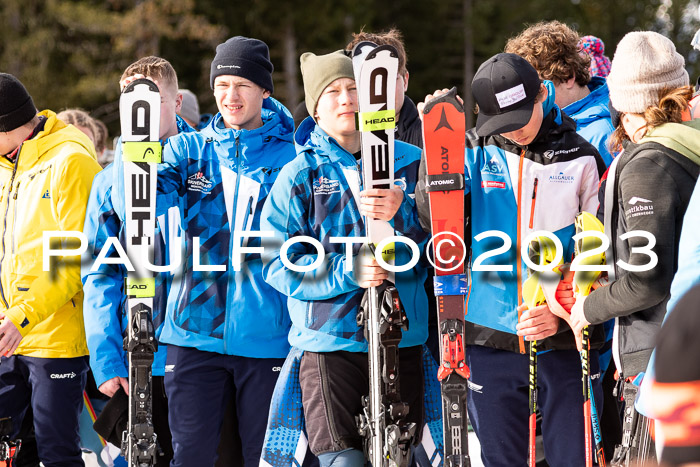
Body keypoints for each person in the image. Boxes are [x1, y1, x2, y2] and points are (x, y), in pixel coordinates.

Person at [109, 37, 298, 466]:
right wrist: (133, 150)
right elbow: (136, 208)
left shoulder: (290, 158)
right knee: (191, 456)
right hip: (192, 334)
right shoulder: (188, 151)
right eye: (222, 85)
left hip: (266, 337)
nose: (230, 97)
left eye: (243, 86)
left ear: (264, 90)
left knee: (263, 458)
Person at [415, 53, 607, 466]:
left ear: (543, 93)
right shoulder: (471, 151)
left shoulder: (581, 156)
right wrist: (436, 152)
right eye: (502, 122)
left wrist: (562, 310)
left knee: (572, 458)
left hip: (563, 341)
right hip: (489, 337)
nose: (515, 131)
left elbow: (598, 249)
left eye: (521, 117)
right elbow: (437, 224)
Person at [260, 50, 430, 466]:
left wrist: (402, 211)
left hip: (401, 336)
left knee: (400, 457)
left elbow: (441, 246)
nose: (346, 99)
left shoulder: (410, 163)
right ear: (316, 108)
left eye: (353, 88)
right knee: (342, 458)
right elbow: (275, 261)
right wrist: (347, 271)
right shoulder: (300, 173)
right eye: (332, 92)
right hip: (329, 341)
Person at [569, 31, 700, 465]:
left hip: (661, 350)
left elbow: (647, 279)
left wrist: (586, 309)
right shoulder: (689, 145)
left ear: (625, 104)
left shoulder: (648, 164)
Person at [504, 20, 620, 460]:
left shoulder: (594, 133)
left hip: (581, 318)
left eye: (541, 82)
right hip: (543, 311)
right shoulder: (542, 128)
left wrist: (569, 299)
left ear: (567, 76)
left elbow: (599, 232)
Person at [82, 55, 192, 466]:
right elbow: (99, 272)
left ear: (176, 102)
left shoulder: (202, 160)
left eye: (154, 100)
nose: (142, 112)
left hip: (198, 349)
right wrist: (106, 357)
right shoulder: (108, 180)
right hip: (138, 354)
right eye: (133, 102)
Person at [0, 73, 102, 466]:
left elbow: (74, 259)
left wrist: (22, 316)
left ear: (8, 126)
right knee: (11, 449)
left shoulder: (70, 162)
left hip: (54, 338)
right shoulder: (8, 167)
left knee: (56, 451)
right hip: (10, 335)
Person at [505, 20, 615, 166]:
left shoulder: (603, 136)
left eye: (538, 90)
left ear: (568, 77)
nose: (532, 100)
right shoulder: (548, 123)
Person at [346, 28, 423, 148]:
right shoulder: (341, 137)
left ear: (405, 81)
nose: (382, 91)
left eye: (391, 80)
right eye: (370, 82)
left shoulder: (425, 135)